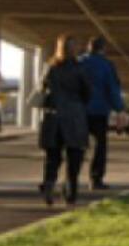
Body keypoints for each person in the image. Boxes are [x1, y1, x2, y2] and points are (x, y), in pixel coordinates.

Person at [37, 34, 92, 207]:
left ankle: (49, 182)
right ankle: (70, 191)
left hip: (53, 116)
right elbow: (87, 92)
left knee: (52, 156)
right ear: (75, 49)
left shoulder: (50, 67)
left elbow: (42, 88)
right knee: (74, 155)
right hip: (74, 116)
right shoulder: (80, 68)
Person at [79, 37, 124, 191]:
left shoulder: (78, 62)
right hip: (98, 111)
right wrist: (119, 108)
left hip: (79, 111)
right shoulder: (106, 65)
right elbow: (112, 88)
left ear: (88, 47)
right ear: (103, 48)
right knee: (100, 145)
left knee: (77, 145)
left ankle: (71, 178)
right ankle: (95, 178)